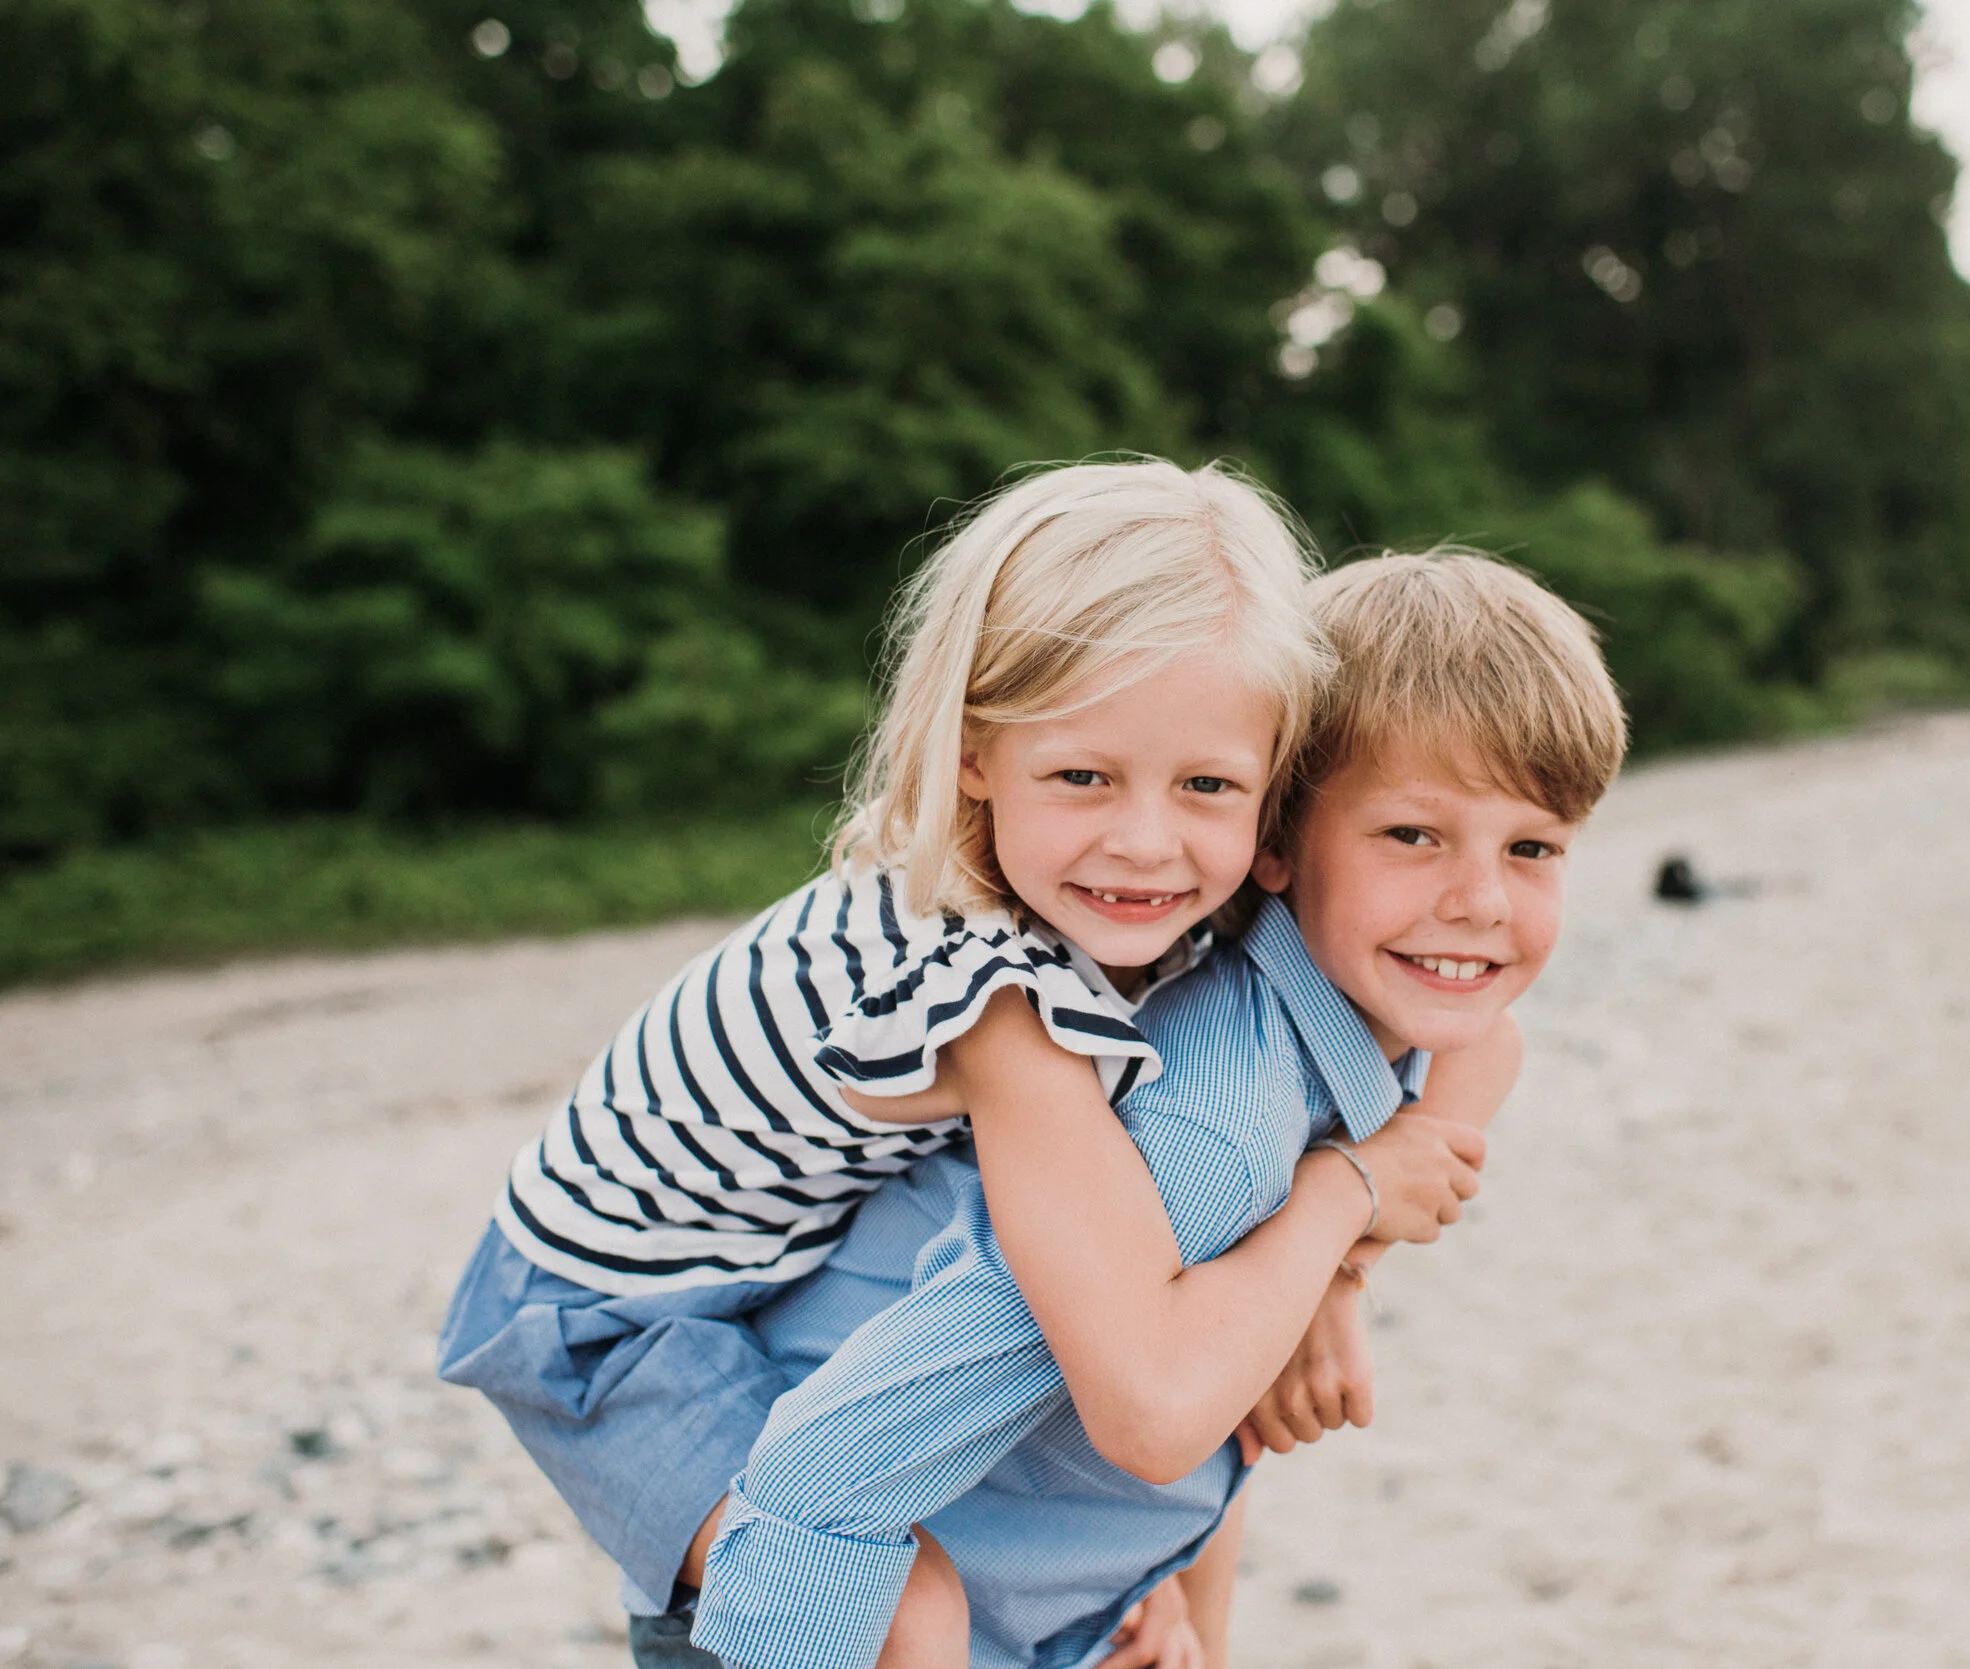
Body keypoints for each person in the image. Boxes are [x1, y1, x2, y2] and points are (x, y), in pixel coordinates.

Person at [436, 462, 1491, 1654]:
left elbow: (1475, 1026)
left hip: (782, 1248)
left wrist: (1337, 1283)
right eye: (1081, 775)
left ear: (1272, 792)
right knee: (900, 1605)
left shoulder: (1155, 900)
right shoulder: (993, 990)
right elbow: (1135, 1356)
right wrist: (1341, 1206)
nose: (1146, 842)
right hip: (598, 1313)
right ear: (976, 754)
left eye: (1207, 785)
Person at [685, 550, 1629, 1669]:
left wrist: (1334, 1273)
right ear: (1273, 841)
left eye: (1531, 848)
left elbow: (1486, 1058)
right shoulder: (1216, 1130)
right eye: (1412, 836)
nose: (1477, 902)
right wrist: (1343, 1201)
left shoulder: (1372, 1027)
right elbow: (826, 1475)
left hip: (1081, 1595)